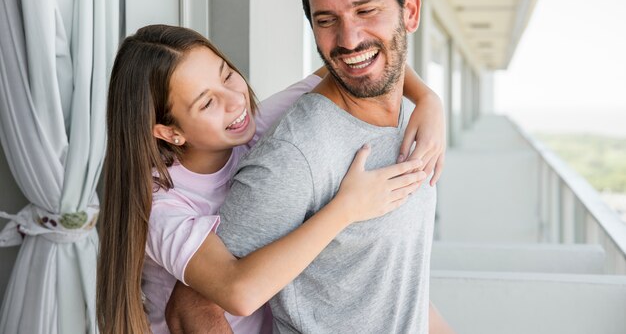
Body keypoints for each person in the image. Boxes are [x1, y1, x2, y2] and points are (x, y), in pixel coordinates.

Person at [166, 0, 453, 333]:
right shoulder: (297, 153)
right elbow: (190, 306)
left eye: (366, 10)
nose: (349, 38)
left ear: (409, 11)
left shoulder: (415, 119)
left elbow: (392, 285)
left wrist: (430, 99)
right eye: (326, 20)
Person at [96, 24, 445, 333]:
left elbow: (349, 67)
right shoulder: (160, 203)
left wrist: (428, 99)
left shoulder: (250, 128)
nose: (235, 100)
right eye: (207, 103)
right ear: (169, 132)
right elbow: (238, 292)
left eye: (226, 74)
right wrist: (347, 209)